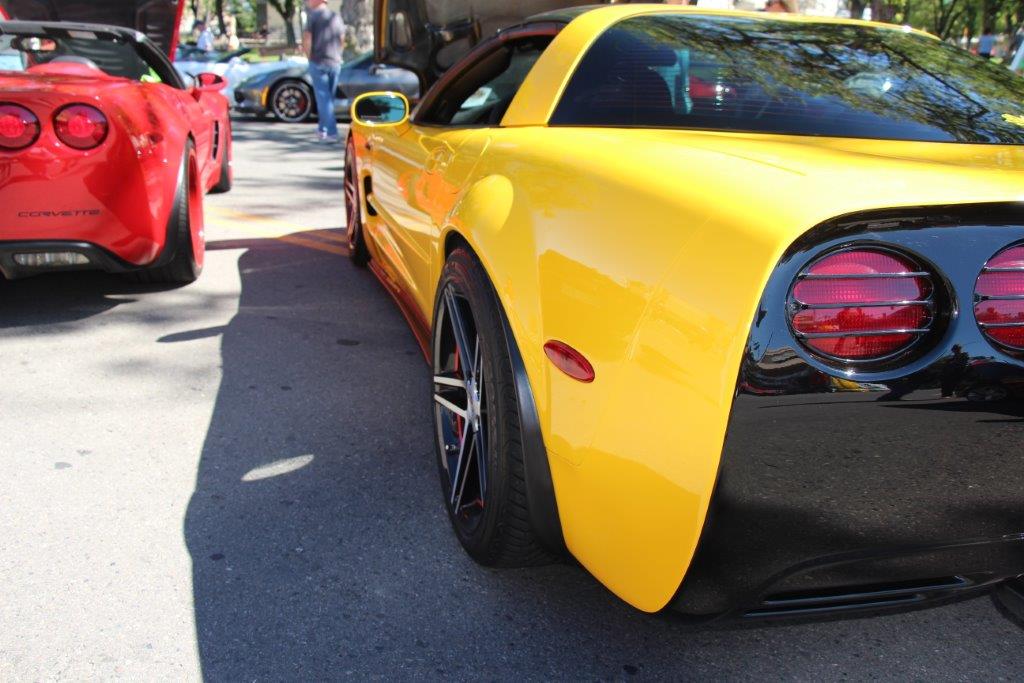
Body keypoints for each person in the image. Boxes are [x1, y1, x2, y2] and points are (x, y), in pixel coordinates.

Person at [303, 0, 345, 143]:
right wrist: (339, 55)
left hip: (318, 62)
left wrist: (309, 57)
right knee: (328, 99)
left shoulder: (313, 16)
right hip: (335, 62)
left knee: (323, 99)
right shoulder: (336, 17)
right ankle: (322, 129)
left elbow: (307, 38)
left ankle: (332, 132)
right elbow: (342, 39)